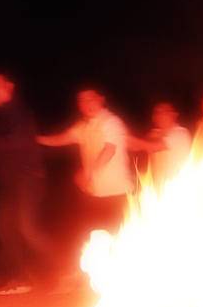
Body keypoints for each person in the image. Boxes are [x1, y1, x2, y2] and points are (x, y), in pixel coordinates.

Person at [0, 72, 56, 295]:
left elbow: (19, 140)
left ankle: (65, 268)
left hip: (27, 178)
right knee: (6, 230)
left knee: (28, 229)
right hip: (7, 180)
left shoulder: (19, 111)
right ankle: (19, 278)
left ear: (9, 86)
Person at [37, 87, 134, 241]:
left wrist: (88, 173)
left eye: (91, 99)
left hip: (117, 192)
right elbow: (61, 139)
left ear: (101, 100)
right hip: (94, 192)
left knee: (120, 240)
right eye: (81, 100)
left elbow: (109, 150)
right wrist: (37, 139)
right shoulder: (83, 125)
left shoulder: (112, 122)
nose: (86, 103)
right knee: (98, 240)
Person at [128, 101, 192, 186]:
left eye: (164, 112)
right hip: (157, 186)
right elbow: (135, 146)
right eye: (157, 113)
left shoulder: (181, 133)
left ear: (174, 115)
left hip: (178, 186)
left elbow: (152, 146)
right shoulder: (155, 133)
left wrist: (123, 136)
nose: (159, 115)